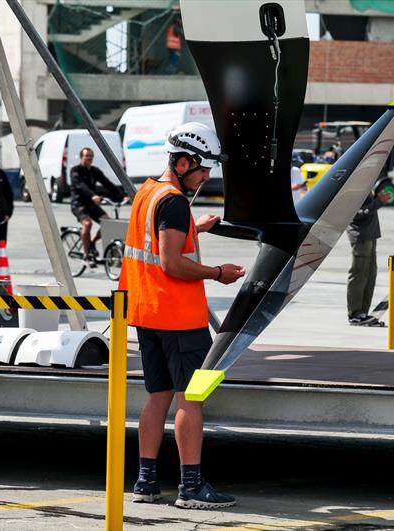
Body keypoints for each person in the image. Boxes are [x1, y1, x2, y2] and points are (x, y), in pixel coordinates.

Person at [119, 122, 244, 509]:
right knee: (191, 398)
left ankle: (145, 481)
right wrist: (217, 274)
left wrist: (196, 228)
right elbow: (171, 262)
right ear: (184, 161)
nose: (207, 177)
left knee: (157, 395)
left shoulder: (148, 193)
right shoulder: (173, 202)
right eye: (203, 169)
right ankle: (191, 487)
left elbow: (155, 243)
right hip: (178, 316)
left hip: (145, 311)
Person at [69, 148, 125, 267]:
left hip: (91, 204)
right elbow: (80, 186)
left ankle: (92, 243)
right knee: (87, 224)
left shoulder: (95, 171)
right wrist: (93, 195)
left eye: (90, 156)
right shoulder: (75, 171)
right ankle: (85, 255)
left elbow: (107, 183)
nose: (88, 158)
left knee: (108, 223)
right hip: (78, 204)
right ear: (81, 157)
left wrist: (123, 195)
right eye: (86, 156)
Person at [346, 189, 391, 326]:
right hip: (361, 236)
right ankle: (355, 313)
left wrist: (377, 200)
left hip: (370, 234)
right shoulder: (355, 186)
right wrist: (378, 202)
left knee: (370, 274)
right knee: (359, 273)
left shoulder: (365, 184)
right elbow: (356, 213)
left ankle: (362, 313)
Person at [0, 167, 14, 243]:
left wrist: (8, 213)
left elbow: (9, 194)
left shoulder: (0, 173)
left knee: (1, 241)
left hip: (1, 215)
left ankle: (1, 254)